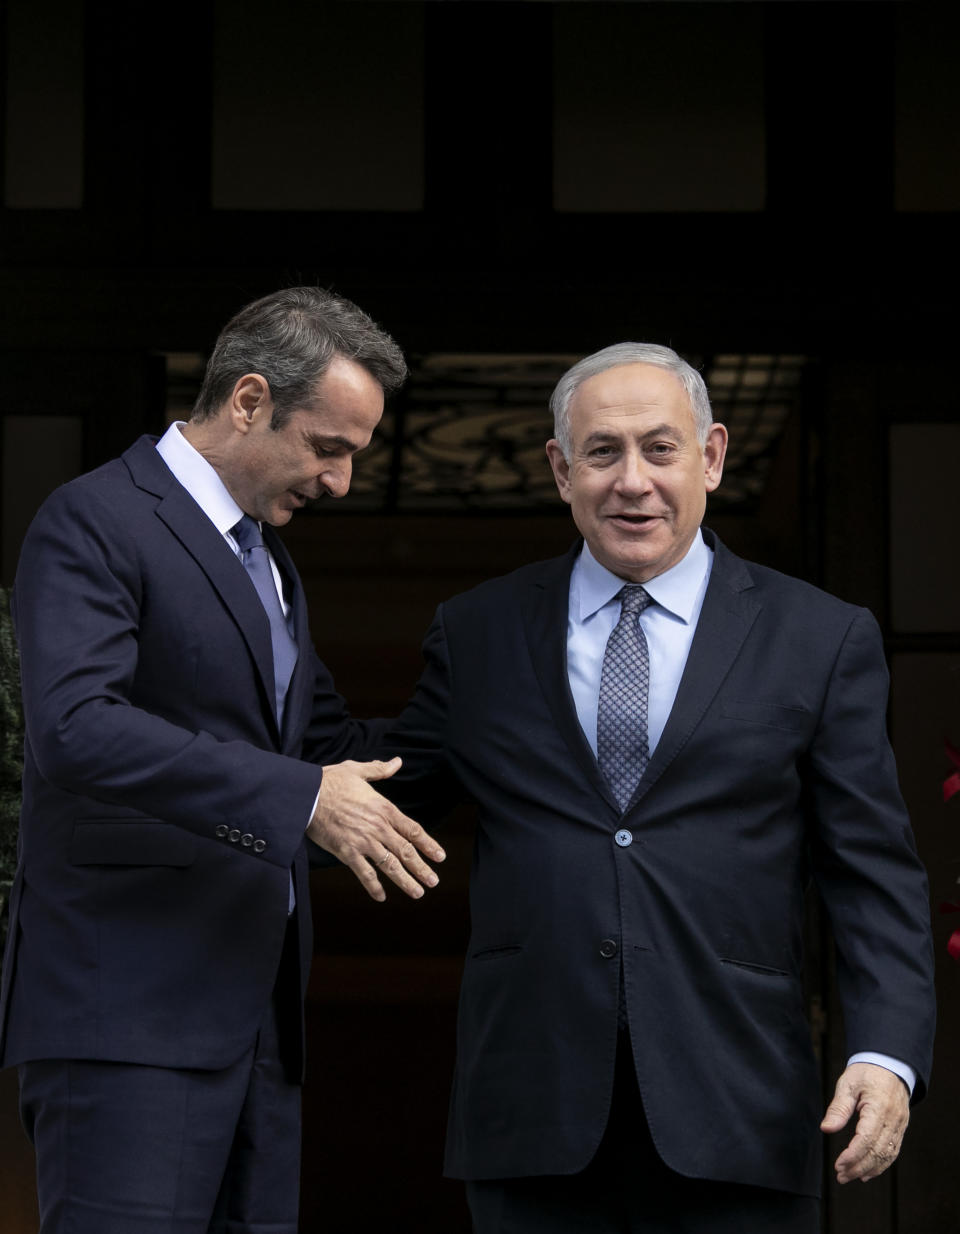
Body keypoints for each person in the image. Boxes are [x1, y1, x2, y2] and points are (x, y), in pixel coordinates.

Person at [380, 343, 936, 1233]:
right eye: (602, 452)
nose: (631, 480)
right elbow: (393, 793)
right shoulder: (478, 630)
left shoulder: (819, 638)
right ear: (562, 471)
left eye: (660, 449)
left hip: (742, 1112)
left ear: (711, 457)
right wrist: (257, 772)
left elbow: (872, 871)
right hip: (534, 1112)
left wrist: (886, 1051)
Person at [0, 286, 445, 1234]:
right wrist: (300, 800)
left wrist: (509, 707)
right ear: (248, 401)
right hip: (124, 1020)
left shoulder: (271, 563)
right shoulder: (95, 518)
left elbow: (328, 753)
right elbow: (75, 727)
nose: (340, 484)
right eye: (329, 448)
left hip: (257, 1027)